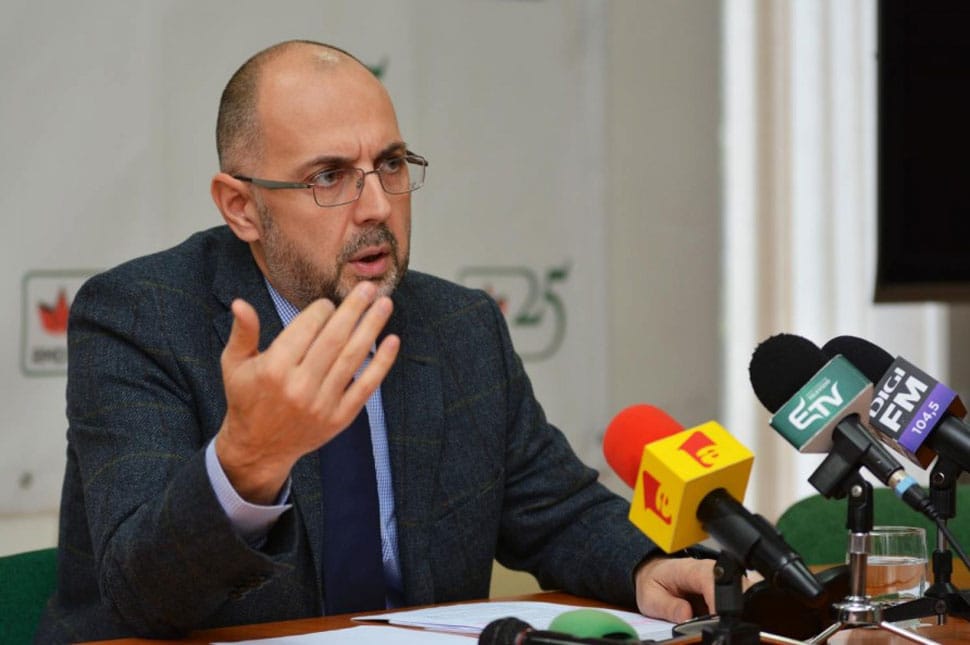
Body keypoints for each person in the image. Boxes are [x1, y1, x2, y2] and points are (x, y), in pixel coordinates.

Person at [36, 40, 715, 642]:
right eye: (329, 176)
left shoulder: (461, 327)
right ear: (242, 207)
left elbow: (557, 511)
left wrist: (646, 565)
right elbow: (142, 594)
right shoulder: (143, 317)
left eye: (390, 164)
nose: (378, 206)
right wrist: (247, 464)